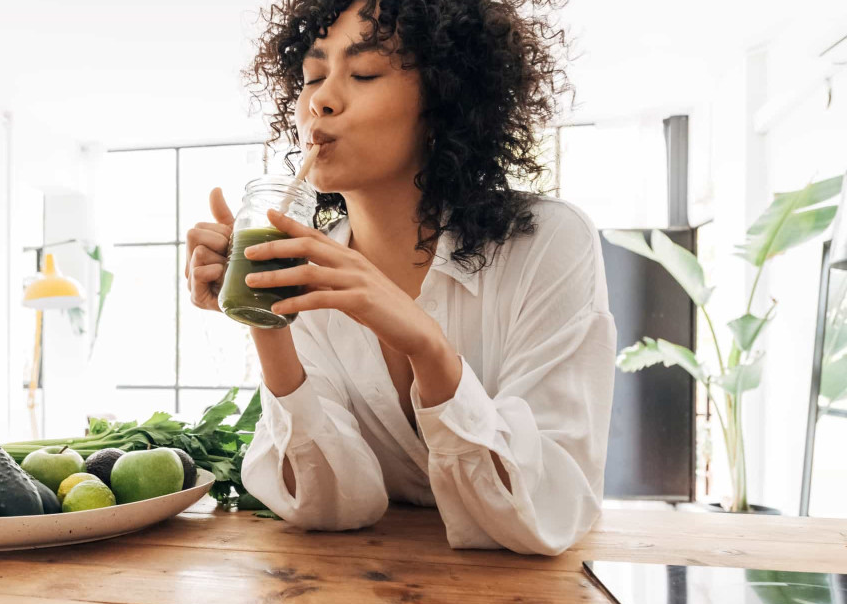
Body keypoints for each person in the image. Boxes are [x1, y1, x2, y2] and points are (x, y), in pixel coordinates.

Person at [184, 0, 616, 555]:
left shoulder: (547, 244)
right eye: (313, 75)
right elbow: (331, 507)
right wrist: (265, 317)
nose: (321, 98)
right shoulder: (304, 267)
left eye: (363, 73)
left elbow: (548, 510)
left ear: (443, 102)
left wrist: (427, 348)